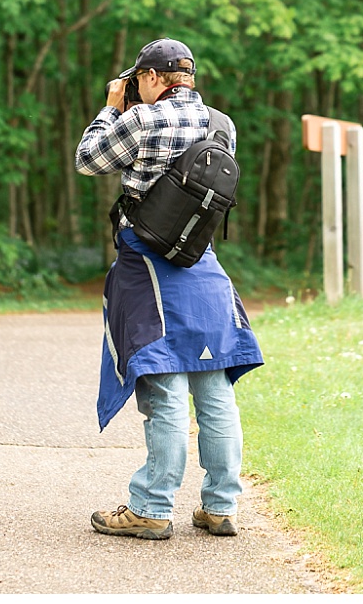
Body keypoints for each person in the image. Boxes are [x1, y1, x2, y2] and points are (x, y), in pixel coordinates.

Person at [75, 38, 264, 541]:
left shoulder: (141, 120)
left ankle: (152, 508)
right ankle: (221, 507)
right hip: (203, 266)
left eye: (139, 79)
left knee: (165, 385)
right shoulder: (222, 125)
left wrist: (112, 109)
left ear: (154, 78)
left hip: (149, 265)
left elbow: (89, 159)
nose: (137, 88)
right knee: (214, 385)